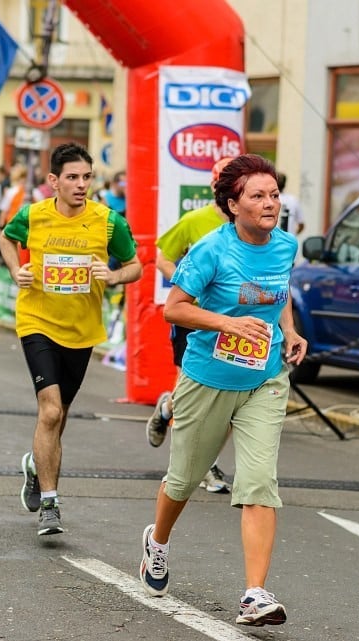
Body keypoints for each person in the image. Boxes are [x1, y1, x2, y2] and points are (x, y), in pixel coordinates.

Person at [138, 154, 306, 628]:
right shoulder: (212, 249)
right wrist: (227, 322)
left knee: (258, 483)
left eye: (273, 194)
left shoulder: (285, 245)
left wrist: (288, 332)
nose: (270, 203)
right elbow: (175, 308)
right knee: (184, 480)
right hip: (208, 377)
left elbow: (280, 290)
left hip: (265, 377)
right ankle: (158, 542)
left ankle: (254, 594)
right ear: (234, 205)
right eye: (257, 196)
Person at [0, 143, 142, 536]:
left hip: (82, 332)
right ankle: (50, 504)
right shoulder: (33, 215)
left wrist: (113, 276)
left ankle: (35, 465)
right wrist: (16, 270)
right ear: (53, 182)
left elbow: (135, 267)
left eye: (87, 177)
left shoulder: (108, 221)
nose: (81, 185)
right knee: (49, 411)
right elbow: (6, 238)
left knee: (58, 419)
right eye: (73, 178)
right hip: (36, 320)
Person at [146, 157, 236, 494]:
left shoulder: (256, 227)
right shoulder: (195, 220)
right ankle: (169, 406)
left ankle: (208, 464)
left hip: (234, 323)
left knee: (230, 396)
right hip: (194, 318)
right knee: (190, 395)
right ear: (217, 189)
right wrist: (187, 284)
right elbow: (162, 257)